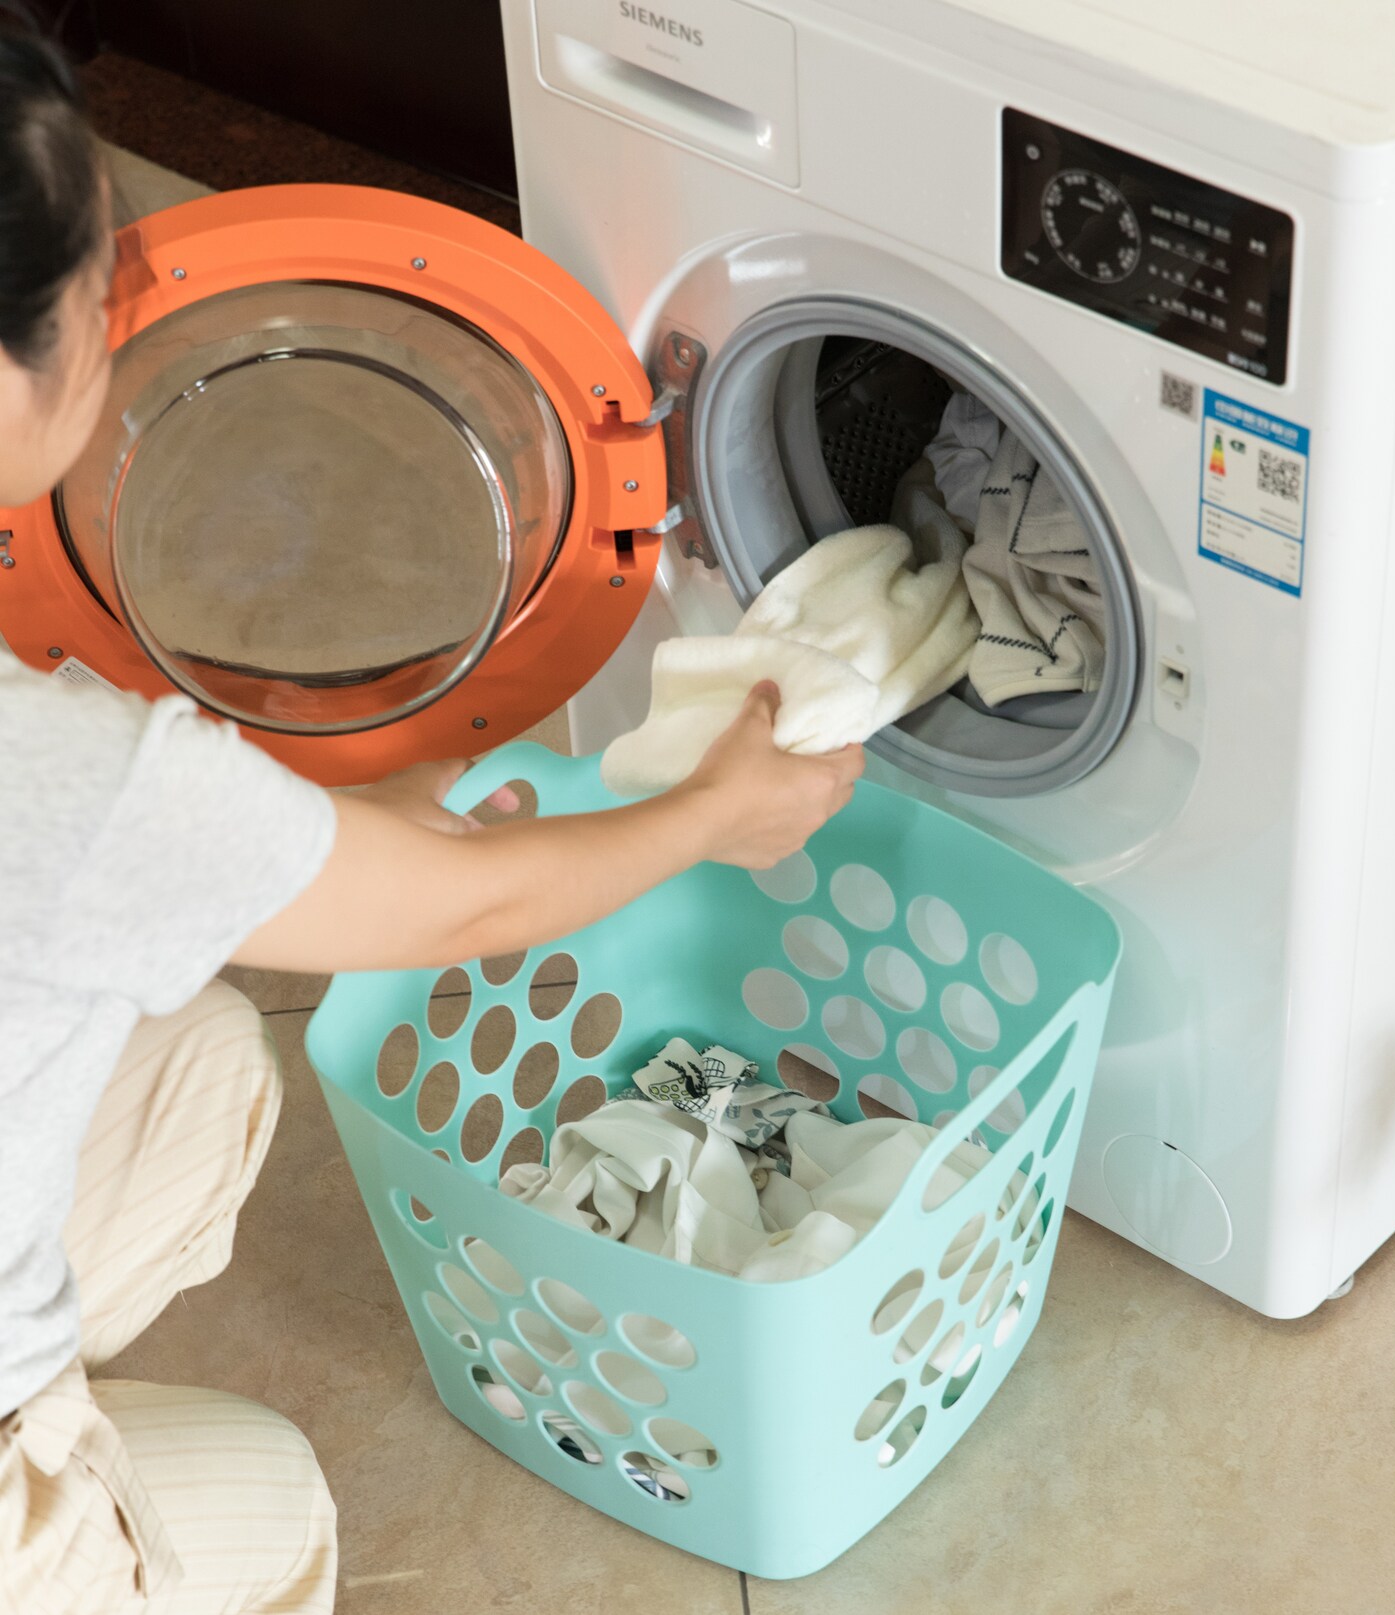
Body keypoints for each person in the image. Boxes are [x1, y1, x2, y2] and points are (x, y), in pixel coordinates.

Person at [0, 20, 864, 1614]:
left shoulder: (80, 781)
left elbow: (196, 866)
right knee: (267, 1501)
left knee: (200, 1053)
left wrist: (371, 812)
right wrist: (719, 811)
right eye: (93, 277)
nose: (118, 304)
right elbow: (456, 916)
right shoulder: (59, 775)